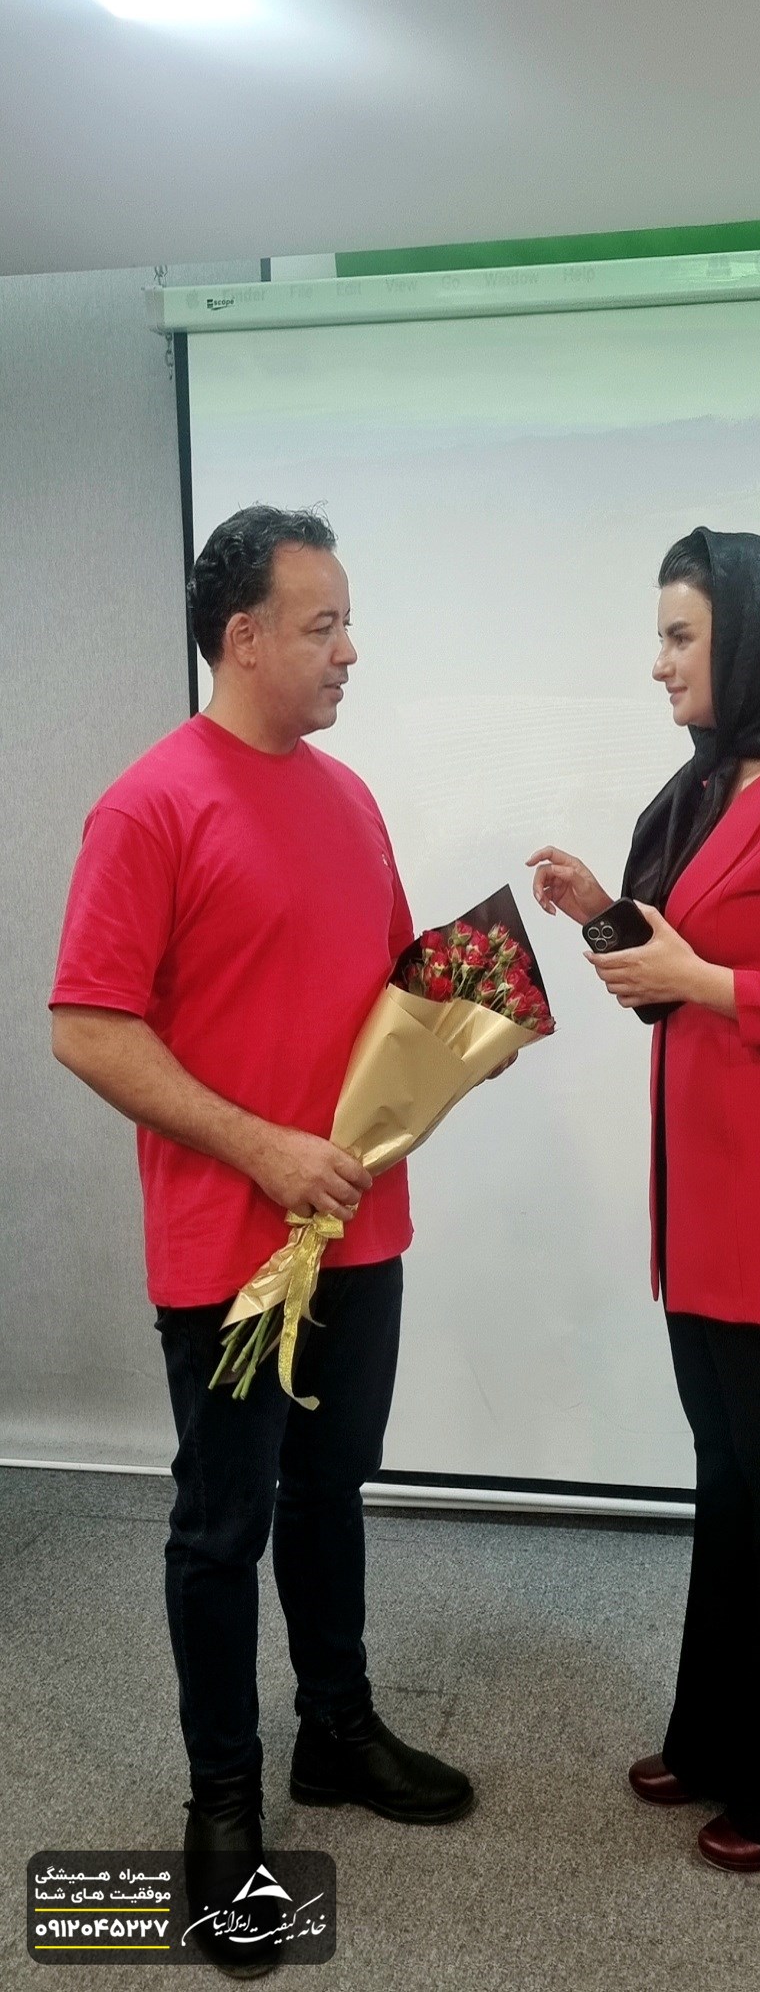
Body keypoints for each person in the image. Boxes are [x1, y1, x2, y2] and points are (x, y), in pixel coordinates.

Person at [50, 506, 473, 1976]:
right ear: (242, 638)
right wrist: (260, 1145)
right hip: (232, 1251)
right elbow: (87, 1026)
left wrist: (460, 1044)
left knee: (332, 1486)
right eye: (322, 624)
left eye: (346, 622)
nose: (350, 650)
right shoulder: (149, 806)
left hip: (358, 1231)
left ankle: (336, 1732)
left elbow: (389, 995)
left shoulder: (351, 799)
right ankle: (221, 1804)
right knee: (222, 1522)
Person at [527, 527, 760, 1873]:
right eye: (663, 636)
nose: (661, 662)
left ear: (751, 642)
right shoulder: (710, 784)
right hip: (702, 1191)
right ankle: (721, 1736)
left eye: (681, 636)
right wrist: (604, 912)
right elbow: (674, 965)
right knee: (730, 1471)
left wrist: (704, 982)